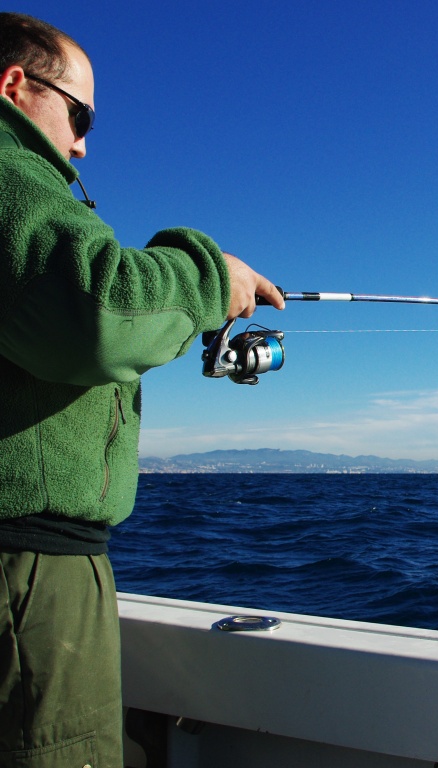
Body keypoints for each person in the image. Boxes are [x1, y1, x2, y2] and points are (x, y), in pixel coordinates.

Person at [0, 12, 284, 767]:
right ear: (14, 85)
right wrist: (206, 273)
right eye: (79, 114)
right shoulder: (8, 173)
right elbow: (92, 313)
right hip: (22, 568)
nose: (83, 144)